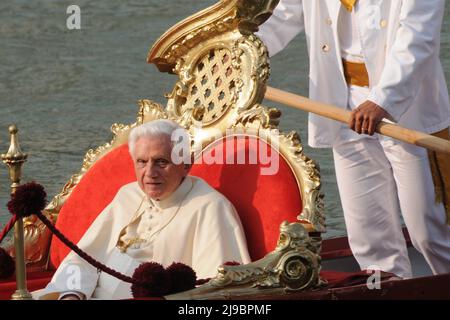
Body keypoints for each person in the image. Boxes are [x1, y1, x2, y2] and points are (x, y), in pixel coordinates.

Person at [257, 0, 450, 279]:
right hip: (340, 105)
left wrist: (382, 101)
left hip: (409, 112)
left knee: (431, 232)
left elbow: (418, 38)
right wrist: (241, 55)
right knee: (369, 237)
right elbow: (283, 15)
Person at [34, 119, 251, 300]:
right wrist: (72, 294)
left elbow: (217, 288)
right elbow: (83, 258)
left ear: (185, 163)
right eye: (142, 162)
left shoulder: (211, 208)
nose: (150, 173)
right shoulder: (127, 195)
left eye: (161, 162)